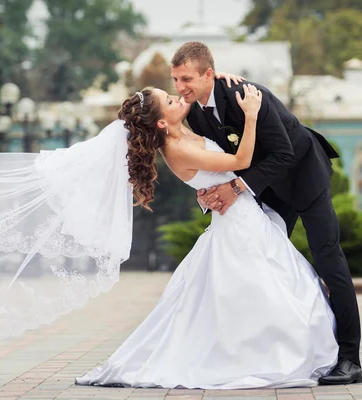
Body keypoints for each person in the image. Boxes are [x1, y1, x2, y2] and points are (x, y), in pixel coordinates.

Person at [75, 84, 338, 389]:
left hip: (241, 216)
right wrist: (251, 116)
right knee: (262, 288)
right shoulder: (178, 148)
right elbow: (239, 162)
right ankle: (262, 355)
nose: (178, 98)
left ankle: (257, 350)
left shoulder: (185, 133)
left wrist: (204, 196)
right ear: (162, 122)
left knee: (259, 287)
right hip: (237, 223)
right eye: (170, 100)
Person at [170, 41, 362, 385]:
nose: (181, 88)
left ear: (208, 74)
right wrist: (209, 193)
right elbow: (218, 161)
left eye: (187, 79)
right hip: (267, 188)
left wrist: (237, 188)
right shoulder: (194, 113)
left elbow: (285, 153)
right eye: (176, 80)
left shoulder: (246, 94)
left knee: (328, 259)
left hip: (305, 176)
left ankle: (349, 359)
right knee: (266, 265)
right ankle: (276, 352)